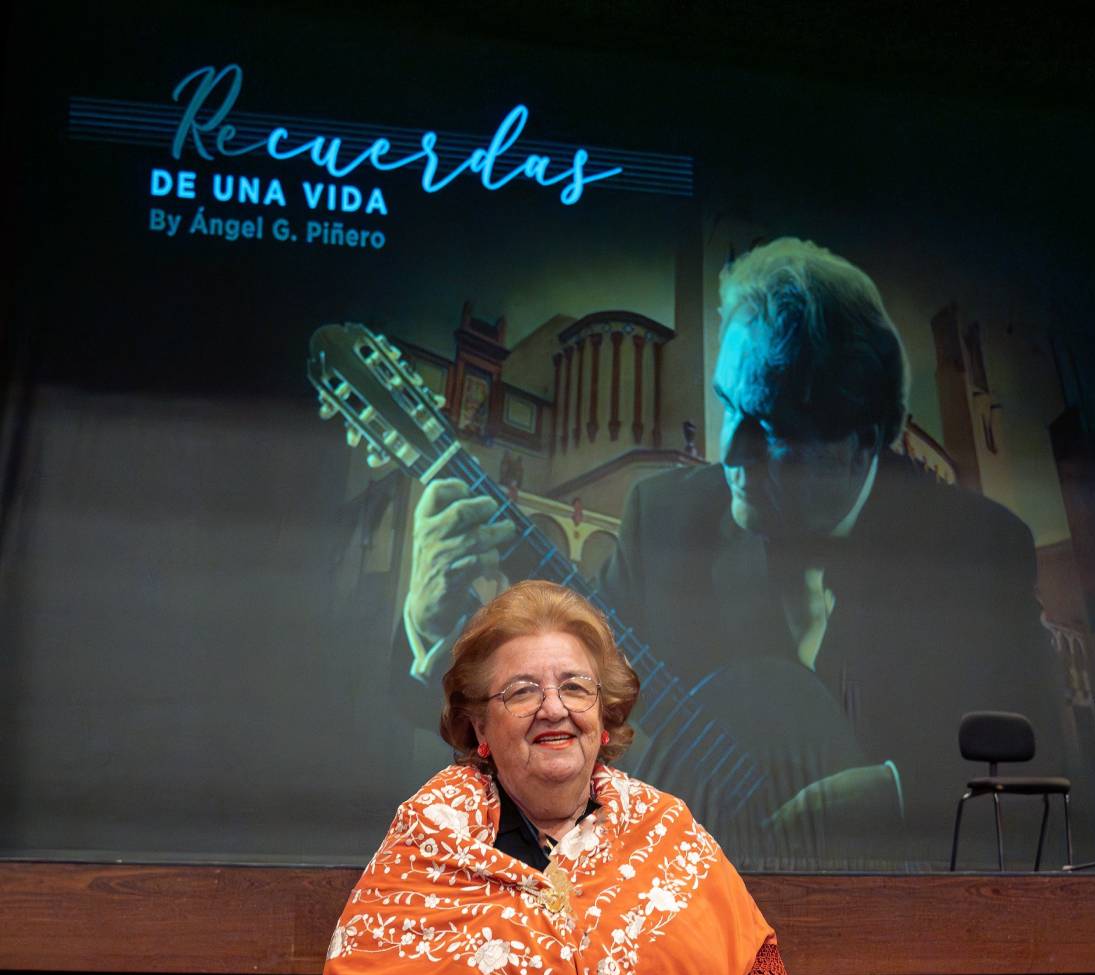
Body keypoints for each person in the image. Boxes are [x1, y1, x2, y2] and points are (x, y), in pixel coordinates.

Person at [402, 238, 1061, 868]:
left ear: (860, 442)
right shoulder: (664, 519)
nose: (733, 453)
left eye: (769, 423)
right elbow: (561, 718)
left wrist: (893, 796)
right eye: (727, 406)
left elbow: (1045, 771)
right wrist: (434, 632)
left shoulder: (981, 550)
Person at [318, 580, 795, 975]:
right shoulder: (429, 844)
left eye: (576, 687)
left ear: (605, 716)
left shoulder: (666, 829)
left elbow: (757, 967)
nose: (554, 707)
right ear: (479, 729)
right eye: (521, 691)